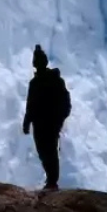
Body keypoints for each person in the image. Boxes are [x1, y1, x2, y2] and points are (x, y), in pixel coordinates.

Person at [22, 44, 71, 190]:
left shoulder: (54, 80)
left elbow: (65, 102)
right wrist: (27, 122)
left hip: (49, 123)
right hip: (41, 123)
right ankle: (51, 179)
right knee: (44, 151)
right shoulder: (36, 83)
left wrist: (59, 119)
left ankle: (52, 181)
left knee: (49, 151)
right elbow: (30, 105)